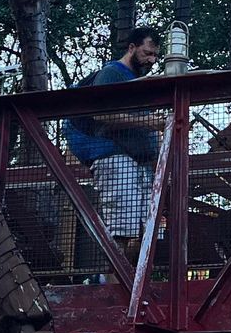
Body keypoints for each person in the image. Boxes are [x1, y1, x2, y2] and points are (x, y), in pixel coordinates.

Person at [68, 25, 163, 265]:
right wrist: (148, 122)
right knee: (122, 229)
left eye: (155, 55)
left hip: (138, 161)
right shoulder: (112, 73)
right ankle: (112, 279)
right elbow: (101, 114)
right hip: (114, 156)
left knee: (146, 231)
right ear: (132, 47)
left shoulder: (138, 80)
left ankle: (130, 280)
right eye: (147, 53)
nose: (152, 60)